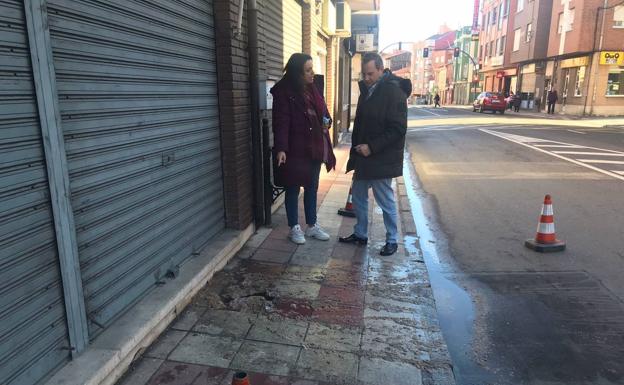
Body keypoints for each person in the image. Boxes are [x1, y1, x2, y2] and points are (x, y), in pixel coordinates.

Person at [338, 52, 409, 256]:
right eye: (364, 74)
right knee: (358, 197)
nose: (366, 78)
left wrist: (372, 147)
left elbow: (398, 129)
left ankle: (392, 240)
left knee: (385, 199)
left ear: (380, 69)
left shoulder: (393, 93)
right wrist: (358, 148)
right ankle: (360, 234)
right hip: (363, 156)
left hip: (381, 157)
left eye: (370, 74)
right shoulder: (368, 90)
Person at [271, 53, 336, 245]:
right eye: (307, 70)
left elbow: (324, 112)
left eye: (312, 69)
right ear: (297, 73)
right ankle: (294, 228)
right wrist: (281, 148)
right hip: (294, 147)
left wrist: (327, 122)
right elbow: (281, 121)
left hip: (314, 146)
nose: (312, 74)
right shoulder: (284, 92)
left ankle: (312, 225)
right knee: (292, 188)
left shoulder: (313, 89)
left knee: (312, 187)